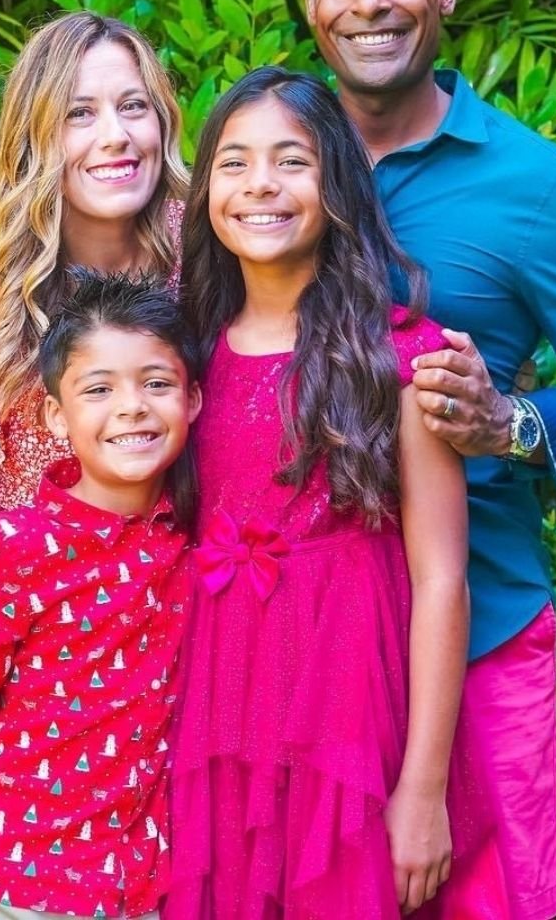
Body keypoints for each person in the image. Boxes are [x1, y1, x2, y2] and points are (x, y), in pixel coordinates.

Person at [302, 0, 556, 920]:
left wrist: (510, 423)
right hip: (303, 642)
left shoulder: (536, 186)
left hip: (482, 628)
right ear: (312, 0)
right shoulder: (268, 161)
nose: (368, 2)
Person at [163, 68, 469, 920]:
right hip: (216, 702)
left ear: (335, 181)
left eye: (290, 161)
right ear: (206, 189)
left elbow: (443, 576)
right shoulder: (184, 350)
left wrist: (425, 789)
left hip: (346, 702)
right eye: (233, 163)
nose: (260, 185)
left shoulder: (399, 353)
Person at [0, 271, 203, 920]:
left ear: (195, 399)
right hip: (7, 886)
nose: (131, 406)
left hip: (143, 888)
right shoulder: (11, 550)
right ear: (54, 416)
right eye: (98, 389)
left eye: (157, 383)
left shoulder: (200, 549)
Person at [0, 11, 188, 584]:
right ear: (34, 136)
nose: (115, 136)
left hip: (221, 616)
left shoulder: (216, 257)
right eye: (80, 113)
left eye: (133, 106)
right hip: (70, 635)